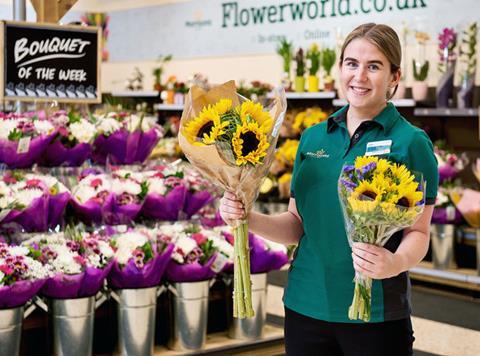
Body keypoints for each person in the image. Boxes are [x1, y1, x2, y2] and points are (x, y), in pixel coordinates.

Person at [219, 23, 438, 356]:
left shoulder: (411, 142)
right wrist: (247, 216)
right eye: (351, 63)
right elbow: (296, 225)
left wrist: (394, 262)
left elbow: (419, 233)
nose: (359, 76)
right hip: (305, 306)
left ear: (395, 76)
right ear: (340, 68)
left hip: (376, 316)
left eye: (374, 66)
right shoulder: (313, 138)